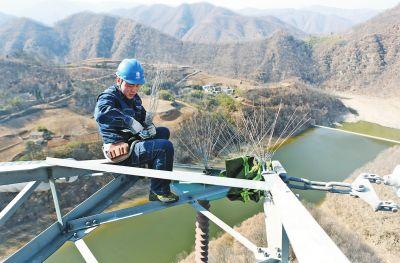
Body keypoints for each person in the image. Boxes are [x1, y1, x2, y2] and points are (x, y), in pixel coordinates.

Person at [94, 58, 179, 203]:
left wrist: (149, 127)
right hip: (120, 148)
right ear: (118, 80)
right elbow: (102, 114)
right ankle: (160, 191)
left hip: (132, 142)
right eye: (130, 85)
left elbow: (142, 116)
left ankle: (155, 179)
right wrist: (128, 121)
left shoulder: (134, 99)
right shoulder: (108, 97)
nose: (134, 90)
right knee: (165, 148)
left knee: (163, 132)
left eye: (137, 86)